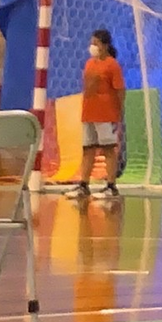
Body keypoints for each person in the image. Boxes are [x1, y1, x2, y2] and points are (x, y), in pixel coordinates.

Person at [66, 29, 125, 201]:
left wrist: (119, 112)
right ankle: (84, 185)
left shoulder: (112, 65)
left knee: (108, 149)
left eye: (96, 43)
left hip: (106, 114)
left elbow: (120, 90)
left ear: (105, 46)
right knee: (88, 149)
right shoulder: (89, 63)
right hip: (89, 113)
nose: (92, 46)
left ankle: (111, 186)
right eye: (91, 43)